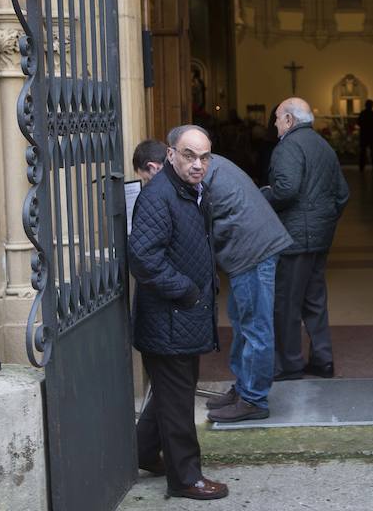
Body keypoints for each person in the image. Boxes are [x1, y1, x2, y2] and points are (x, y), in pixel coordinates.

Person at [128, 125, 228, 501]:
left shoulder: (192, 191)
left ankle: (142, 451)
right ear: (171, 154)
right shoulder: (160, 196)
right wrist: (187, 290)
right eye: (189, 155)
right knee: (179, 403)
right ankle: (185, 478)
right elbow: (143, 258)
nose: (198, 164)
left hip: (183, 318)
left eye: (205, 157)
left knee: (171, 394)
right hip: (168, 321)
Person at [200, 154, 294, 423]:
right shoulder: (209, 163)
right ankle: (243, 389)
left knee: (255, 328)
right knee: (243, 324)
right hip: (251, 249)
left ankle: (253, 400)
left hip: (252, 251)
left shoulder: (197, 169)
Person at [263, 97, 350, 381]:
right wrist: (323, 222)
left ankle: (290, 363)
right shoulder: (323, 145)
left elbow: (286, 190)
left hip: (294, 238)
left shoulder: (288, 146)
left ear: (289, 120)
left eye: (277, 117)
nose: (275, 123)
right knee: (314, 300)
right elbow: (342, 194)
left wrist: (260, 196)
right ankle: (322, 359)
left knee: (287, 303)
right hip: (318, 237)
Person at [357, 99, 373, 172]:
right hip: (371, 135)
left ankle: (361, 167)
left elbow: (359, 122)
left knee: (363, 152)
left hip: (364, 134)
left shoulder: (363, 113)